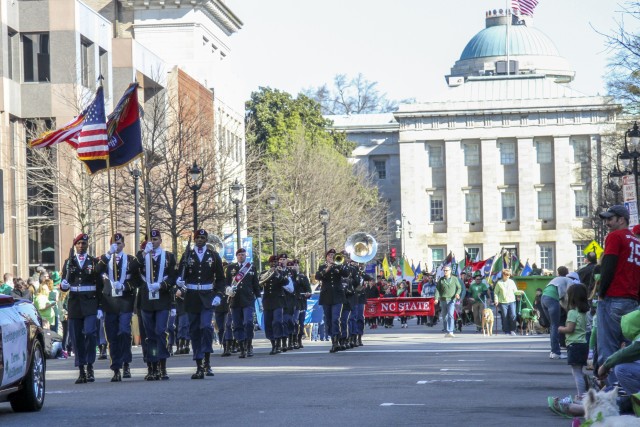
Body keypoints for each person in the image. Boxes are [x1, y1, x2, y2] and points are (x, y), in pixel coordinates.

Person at [597, 205, 640, 386]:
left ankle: (612, 392)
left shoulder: (615, 237)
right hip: (633, 301)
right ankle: (626, 388)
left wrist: (601, 293)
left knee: (608, 346)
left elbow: (608, 265)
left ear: (621, 219)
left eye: (610, 218)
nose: (607, 222)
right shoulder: (637, 241)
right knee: (630, 349)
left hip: (614, 297)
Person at [176, 229, 225, 379]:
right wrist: (179, 282)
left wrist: (219, 295)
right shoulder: (187, 255)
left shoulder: (213, 256)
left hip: (207, 296)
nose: (199, 240)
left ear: (206, 240)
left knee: (206, 327)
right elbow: (180, 273)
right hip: (191, 297)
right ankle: (198, 364)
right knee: (194, 330)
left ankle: (207, 361)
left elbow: (221, 279)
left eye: (203, 238)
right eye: (198, 238)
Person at [134, 229, 177, 381]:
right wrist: (143, 254)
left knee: (160, 331)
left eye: (156, 239)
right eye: (151, 239)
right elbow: (133, 270)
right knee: (150, 335)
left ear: (161, 240)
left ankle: (162, 365)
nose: (154, 242)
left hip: (162, 299)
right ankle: (152, 366)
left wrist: (162, 285)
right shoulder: (141, 256)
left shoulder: (168, 257)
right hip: (146, 300)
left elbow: (173, 276)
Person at [60, 233, 102, 384]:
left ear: (87, 245)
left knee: (90, 333)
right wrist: (63, 286)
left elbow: (100, 285)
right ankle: (81, 370)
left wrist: (100, 306)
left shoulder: (93, 261)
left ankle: (90, 364)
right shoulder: (69, 262)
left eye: (83, 243)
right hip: (75, 304)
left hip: (90, 302)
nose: (81, 246)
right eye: (78, 244)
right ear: (75, 245)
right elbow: (64, 282)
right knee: (76, 337)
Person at [97, 232, 137, 382]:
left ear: (124, 245)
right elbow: (97, 271)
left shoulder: (131, 260)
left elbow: (137, 280)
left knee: (124, 332)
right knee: (112, 336)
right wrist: (108, 254)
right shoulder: (105, 259)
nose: (117, 245)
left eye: (119, 243)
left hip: (125, 302)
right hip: (110, 302)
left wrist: (125, 286)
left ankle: (126, 362)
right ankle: (116, 368)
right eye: (115, 243)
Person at [227, 248, 260, 358]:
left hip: (248, 300)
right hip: (235, 300)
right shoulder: (231, 268)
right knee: (237, 325)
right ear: (236, 256)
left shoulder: (251, 268)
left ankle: (249, 344)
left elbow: (256, 284)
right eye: (239, 255)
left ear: (246, 256)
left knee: (248, 322)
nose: (241, 256)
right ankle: (241, 347)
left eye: (243, 254)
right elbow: (226, 283)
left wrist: (259, 298)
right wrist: (228, 290)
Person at [558, 284, 590, 398]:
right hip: (583, 344)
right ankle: (586, 391)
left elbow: (570, 329)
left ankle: (581, 396)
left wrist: (560, 328)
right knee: (579, 371)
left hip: (574, 344)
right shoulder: (584, 312)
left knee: (576, 372)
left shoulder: (572, 312)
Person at [316, 248, 350, 353]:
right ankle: (333, 338)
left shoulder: (338, 266)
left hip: (338, 296)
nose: (331, 257)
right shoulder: (322, 267)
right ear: (326, 257)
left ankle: (336, 341)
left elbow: (346, 274)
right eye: (329, 256)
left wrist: (338, 266)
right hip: (326, 296)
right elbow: (318, 276)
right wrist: (327, 268)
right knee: (328, 320)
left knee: (336, 318)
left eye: (333, 256)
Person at [540, 266, 574, 359]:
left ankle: (553, 351)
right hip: (552, 299)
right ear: (567, 273)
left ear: (558, 273)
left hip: (543, 298)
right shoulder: (568, 280)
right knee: (556, 325)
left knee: (552, 325)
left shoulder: (555, 279)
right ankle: (556, 352)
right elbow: (569, 295)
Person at [435, 265, 461, 338]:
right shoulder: (441, 280)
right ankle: (447, 330)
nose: (445, 272)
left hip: (451, 300)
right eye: (444, 270)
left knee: (450, 315)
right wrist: (436, 298)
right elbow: (437, 289)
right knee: (444, 316)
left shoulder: (455, 279)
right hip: (443, 300)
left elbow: (459, 288)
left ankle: (450, 331)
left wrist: (457, 294)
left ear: (450, 271)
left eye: (446, 270)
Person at [293, 259, 312, 348]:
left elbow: (308, 289)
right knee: (293, 322)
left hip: (301, 302)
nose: (295, 266)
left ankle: (299, 339)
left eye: (296, 265)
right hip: (293, 303)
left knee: (301, 322)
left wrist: (308, 294)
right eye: (293, 265)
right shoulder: (289, 277)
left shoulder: (303, 277)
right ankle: (293, 340)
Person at [493, 268, 518, 336]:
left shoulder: (512, 282)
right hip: (503, 302)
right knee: (505, 316)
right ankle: (506, 330)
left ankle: (512, 330)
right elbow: (496, 292)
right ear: (503, 275)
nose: (507, 276)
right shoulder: (499, 283)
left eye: (509, 275)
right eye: (506, 275)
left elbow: (515, 291)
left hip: (512, 301)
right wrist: (496, 300)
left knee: (513, 315)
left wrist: (519, 294)